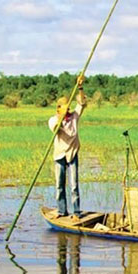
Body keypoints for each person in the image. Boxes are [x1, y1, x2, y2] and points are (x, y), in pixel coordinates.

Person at [49, 79, 86, 217]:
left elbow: (82, 103)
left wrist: (80, 87)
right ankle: (61, 211)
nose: (68, 110)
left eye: (68, 108)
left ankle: (76, 212)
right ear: (58, 109)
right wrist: (61, 117)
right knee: (59, 185)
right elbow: (54, 128)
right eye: (64, 108)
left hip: (72, 153)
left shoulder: (74, 116)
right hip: (59, 155)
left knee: (74, 185)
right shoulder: (53, 119)